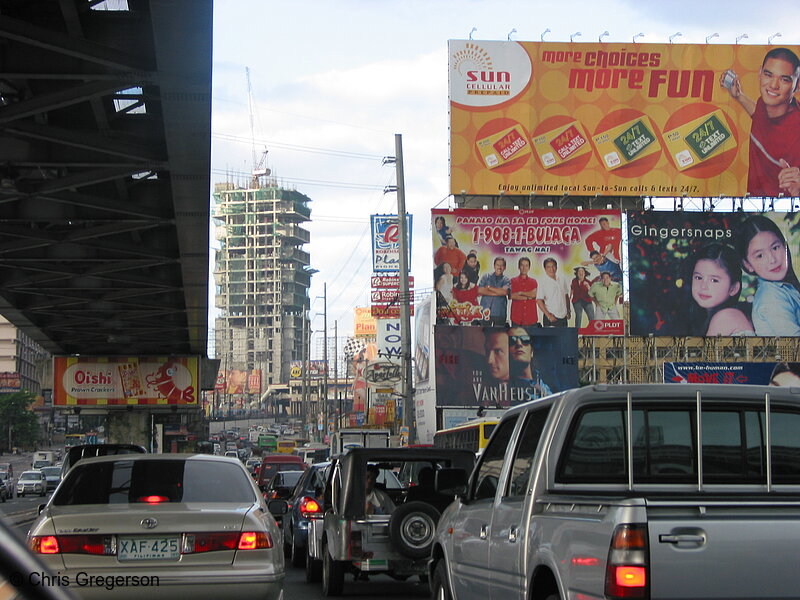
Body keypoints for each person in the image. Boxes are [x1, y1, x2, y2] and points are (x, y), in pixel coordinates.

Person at [721, 48, 800, 196]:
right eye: (768, 75)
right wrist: (739, 96)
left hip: (783, 211)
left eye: (784, 79)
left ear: (797, 85)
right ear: (760, 73)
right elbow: (759, 116)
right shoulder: (764, 104)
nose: (773, 85)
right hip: (753, 203)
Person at [735, 215, 800, 336]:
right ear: (747, 264)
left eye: (775, 248)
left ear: (785, 246)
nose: (772, 260)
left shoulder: (784, 288)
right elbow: (794, 342)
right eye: (760, 255)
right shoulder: (771, 297)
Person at [685, 243, 754, 336]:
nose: (703, 286)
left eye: (714, 280)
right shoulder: (710, 316)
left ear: (733, 288)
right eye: (698, 277)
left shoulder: (726, 317)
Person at [507, 326, 552, 400]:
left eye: (525, 340)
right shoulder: (503, 386)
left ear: (531, 352)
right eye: (512, 340)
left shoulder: (543, 381)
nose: (519, 344)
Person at [536, 257, 571, 327]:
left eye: (553, 266)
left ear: (556, 267)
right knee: (551, 338)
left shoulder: (561, 279)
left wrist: (568, 310)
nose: (551, 269)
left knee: (563, 338)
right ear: (545, 269)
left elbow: (566, 295)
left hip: (563, 317)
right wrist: (548, 315)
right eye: (548, 267)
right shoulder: (543, 281)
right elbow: (539, 300)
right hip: (551, 318)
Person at [478, 257, 511, 326]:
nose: (499, 267)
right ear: (494, 266)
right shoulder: (486, 277)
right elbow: (479, 290)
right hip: (485, 311)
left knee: (498, 335)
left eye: (502, 265)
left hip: (499, 313)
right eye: (497, 265)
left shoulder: (506, 280)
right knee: (484, 335)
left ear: (504, 267)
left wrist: (489, 288)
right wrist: (498, 292)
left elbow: (504, 292)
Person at [510, 257, 540, 327]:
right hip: (517, 318)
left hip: (531, 319)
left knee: (532, 338)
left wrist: (520, 293)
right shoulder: (513, 281)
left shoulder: (533, 282)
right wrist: (528, 297)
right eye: (522, 265)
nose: (524, 268)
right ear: (519, 267)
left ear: (529, 267)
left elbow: (534, 294)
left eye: (526, 265)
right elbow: (511, 296)